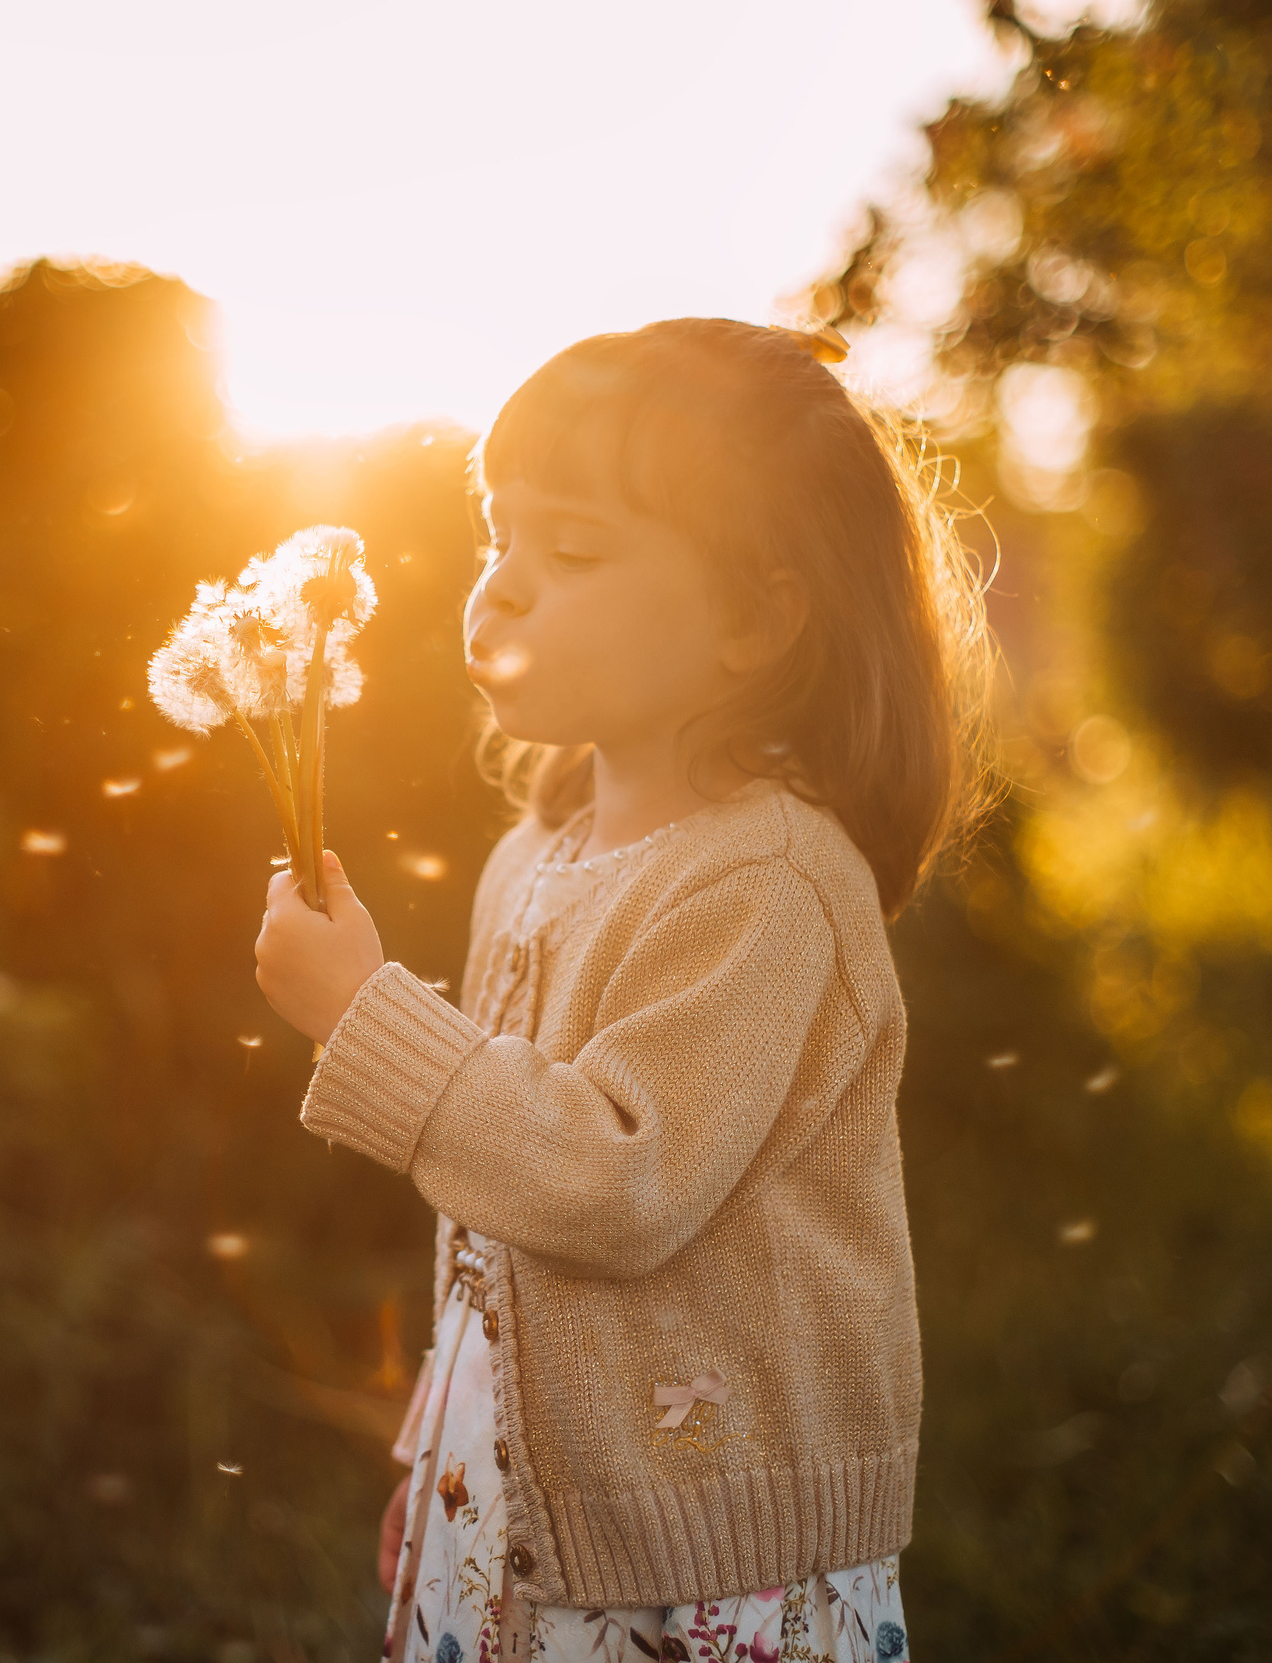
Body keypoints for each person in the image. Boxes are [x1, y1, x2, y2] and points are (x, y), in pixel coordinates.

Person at [252, 319, 993, 1663]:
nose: (508, 588)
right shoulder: (535, 853)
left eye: (575, 551)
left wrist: (364, 1016)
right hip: (531, 1524)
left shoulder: (766, 880)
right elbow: (498, 1224)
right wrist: (447, 1464)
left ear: (756, 616)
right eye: (499, 538)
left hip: (705, 1570)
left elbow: (613, 1183)